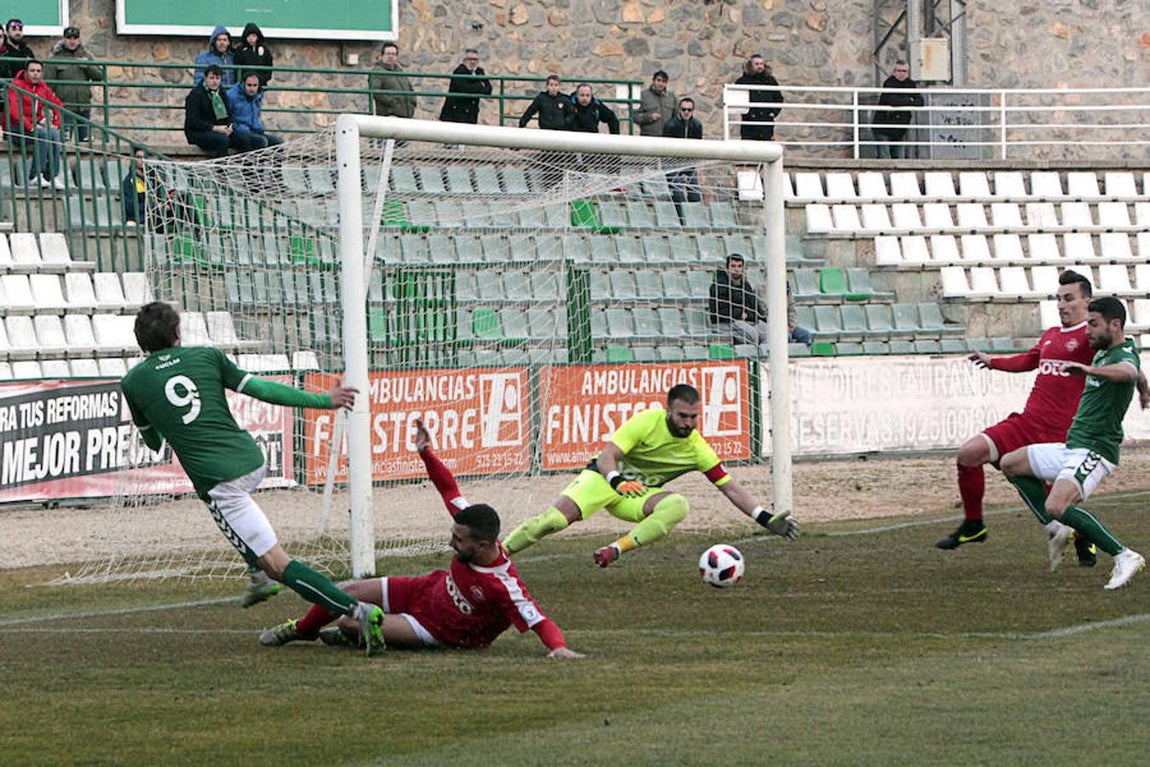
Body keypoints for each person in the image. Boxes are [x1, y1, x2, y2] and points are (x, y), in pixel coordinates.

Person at [119, 301, 386, 653]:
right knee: (244, 531)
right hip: (252, 460)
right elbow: (263, 389)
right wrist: (326, 400)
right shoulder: (208, 356)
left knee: (277, 563)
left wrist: (156, 419)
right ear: (177, 334)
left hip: (221, 483)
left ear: (141, 344)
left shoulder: (133, 381)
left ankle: (355, 610)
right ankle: (258, 576)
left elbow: (153, 443)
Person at [259, 419, 584, 658]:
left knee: (349, 622)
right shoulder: (469, 524)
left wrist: (559, 648)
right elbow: (449, 489)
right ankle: (304, 630)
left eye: (458, 541)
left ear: (484, 546)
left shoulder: (504, 586)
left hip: (436, 630)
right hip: (425, 589)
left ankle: (353, 636)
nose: (451, 543)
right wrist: (426, 453)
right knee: (347, 592)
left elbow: (539, 620)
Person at [502, 384, 799, 568]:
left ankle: (615, 550)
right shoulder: (646, 421)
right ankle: (498, 554)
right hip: (604, 480)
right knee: (551, 522)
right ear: (668, 410)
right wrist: (617, 481)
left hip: (635, 496)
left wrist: (765, 518)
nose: (689, 423)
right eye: (682, 416)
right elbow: (608, 456)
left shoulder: (697, 449)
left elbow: (731, 489)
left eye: (694, 417)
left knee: (678, 505)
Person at [937, 271, 1098, 555]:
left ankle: (1086, 537)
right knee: (968, 454)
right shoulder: (1051, 335)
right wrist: (993, 361)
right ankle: (974, 526)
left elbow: (1123, 357)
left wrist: (1140, 384)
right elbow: (1030, 360)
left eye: (1069, 298)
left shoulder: (1091, 338)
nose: (1061, 305)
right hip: (1027, 424)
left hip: (1060, 434)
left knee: (1058, 504)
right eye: (1058, 299)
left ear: (1087, 301)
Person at [1000, 296, 1146, 590]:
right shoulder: (1107, 351)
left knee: (1057, 503)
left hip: (1095, 449)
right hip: (1073, 446)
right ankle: (1056, 527)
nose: (1087, 331)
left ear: (1115, 325)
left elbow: (1129, 371)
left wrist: (1089, 371)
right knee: (1010, 463)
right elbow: (1137, 375)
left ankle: (1124, 555)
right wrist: (1145, 390)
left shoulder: (1121, 356)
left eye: (1093, 324)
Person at [708, 253, 811, 346]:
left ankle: (769, 361)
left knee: (774, 335)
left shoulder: (745, 285)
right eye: (733, 266)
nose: (736, 269)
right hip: (726, 323)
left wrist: (790, 325)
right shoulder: (718, 286)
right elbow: (717, 310)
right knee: (753, 335)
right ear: (727, 268)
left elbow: (755, 307)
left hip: (749, 321)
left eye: (739, 266)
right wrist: (740, 314)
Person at [5, 60, 66, 189]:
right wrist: (31, 126)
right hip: (15, 129)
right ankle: (36, 175)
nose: (35, 74)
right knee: (43, 134)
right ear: (26, 72)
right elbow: (14, 111)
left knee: (54, 133)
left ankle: (53, 176)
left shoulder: (43, 87)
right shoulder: (16, 86)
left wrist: (55, 123)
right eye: (32, 71)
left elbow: (58, 105)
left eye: (38, 71)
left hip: (34, 128)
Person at [184, 65, 262, 157]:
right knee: (223, 140)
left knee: (243, 139)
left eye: (217, 78)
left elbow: (228, 114)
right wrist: (214, 128)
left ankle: (247, 169)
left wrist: (229, 126)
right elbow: (193, 121)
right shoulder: (195, 95)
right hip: (198, 132)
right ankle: (221, 170)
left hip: (220, 129)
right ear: (205, 78)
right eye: (211, 78)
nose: (214, 81)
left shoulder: (221, 93)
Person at [44, 26, 103, 143]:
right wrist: (50, 106)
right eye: (69, 38)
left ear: (79, 39)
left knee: (85, 142)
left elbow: (100, 76)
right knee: (63, 141)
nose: (72, 41)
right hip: (65, 107)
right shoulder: (56, 59)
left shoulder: (86, 56)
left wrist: (88, 66)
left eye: (75, 38)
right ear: (64, 39)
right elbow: (47, 85)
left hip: (84, 105)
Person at [872, 60, 924, 160]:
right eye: (898, 70)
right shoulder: (888, 83)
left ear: (908, 73)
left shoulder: (911, 84)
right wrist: (909, 100)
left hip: (900, 128)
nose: (901, 73)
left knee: (900, 159)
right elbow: (891, 100)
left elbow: (920, 102)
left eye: (904, 71)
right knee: (885, 159)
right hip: (883, 126)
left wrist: (903, 102)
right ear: (894, 72)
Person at [662, 97, 704, 212]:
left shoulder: (697, 125)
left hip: (688, 163)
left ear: (692, 111)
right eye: (684, 109)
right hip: (672, 164)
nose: (686, 112)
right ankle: (681, 219)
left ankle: (694, 218)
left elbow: (697, 147)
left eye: (689, 110)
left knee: (695, 193)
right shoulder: (670, 125)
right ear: (679, 110)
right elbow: (666, 150)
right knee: (678, 192)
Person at [226, 72, 284, 150]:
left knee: (278, 142)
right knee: (261, 142)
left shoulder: (258, 96)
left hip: (254, 130)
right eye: (249, 85)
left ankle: (273, 162)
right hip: (238, 131)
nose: (252, 89)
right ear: (243, 84)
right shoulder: (232, 96)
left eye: (255, 85)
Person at [734, 54, 783, 141]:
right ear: (750, 65)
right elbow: (737, 100)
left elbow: (778, 98)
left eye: (761, 64)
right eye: (756, 64)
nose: (759, 66)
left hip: (766, 122)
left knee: (766, 148)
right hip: (749, 124)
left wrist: (773, 113)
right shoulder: (742, 81)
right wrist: (748, 113)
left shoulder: (770, 81)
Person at [438, 49, 491, 125]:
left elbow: (488, 90)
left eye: (475, 59)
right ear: (464, 60)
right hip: (454, 115)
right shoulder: (459, 71)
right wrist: (479, 86)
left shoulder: (479, 71)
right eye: (470, 59)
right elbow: (464, 88)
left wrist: (477, 87)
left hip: (471, 114)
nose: (472, 62)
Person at [369, 42, 416, 119]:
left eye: (393, 54)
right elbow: (375, 91)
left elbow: (410, 88)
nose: (391, 56)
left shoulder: (399, 71)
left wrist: (413, 101)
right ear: (382, 55)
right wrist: (392, 102)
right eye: (388, 54)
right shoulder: (377, 72)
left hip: (407, 115)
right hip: (390, 116)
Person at [634, 69, 677, 137]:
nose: (660, 84)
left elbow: (676, 117)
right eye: (658, 80)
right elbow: (634, 116)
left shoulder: (671, 98)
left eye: (663, 81)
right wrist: (649, 117)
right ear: (653, 81)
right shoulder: (643, 96)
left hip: (667, 138)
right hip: (649, 138)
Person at [232, 23, 273, 87]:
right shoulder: (240, 50)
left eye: (253, 36)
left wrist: (260, 81)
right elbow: (237, 69)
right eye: (248, 36)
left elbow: (268, 69)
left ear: (258, 37)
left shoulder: (265, 50)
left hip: (260, 86)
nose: (251, 38)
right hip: (244, 86)